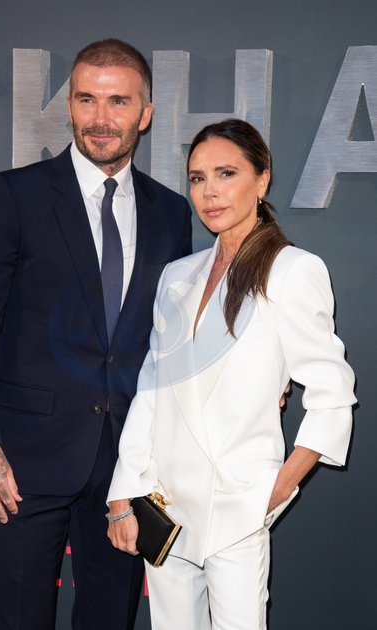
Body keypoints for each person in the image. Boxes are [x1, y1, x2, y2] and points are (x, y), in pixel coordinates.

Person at [0, 38, 192, 630]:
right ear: (71, 106)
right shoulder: (14, 195)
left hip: (126, 470)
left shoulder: (171, 211)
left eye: (118, 102)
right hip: (21, 465)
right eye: (86, 99)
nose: (100, 118)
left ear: (145, 114)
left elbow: (173, 336)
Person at [107, 118, 356, 629]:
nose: (210, 192)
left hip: (237, 506)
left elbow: (332, 392)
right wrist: (122, 493)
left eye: (226, 173)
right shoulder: (178, 276)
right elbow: (152, 389)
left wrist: (275, 489)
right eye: (197, 178)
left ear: (262, 179)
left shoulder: (292, 270)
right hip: (165, 507)